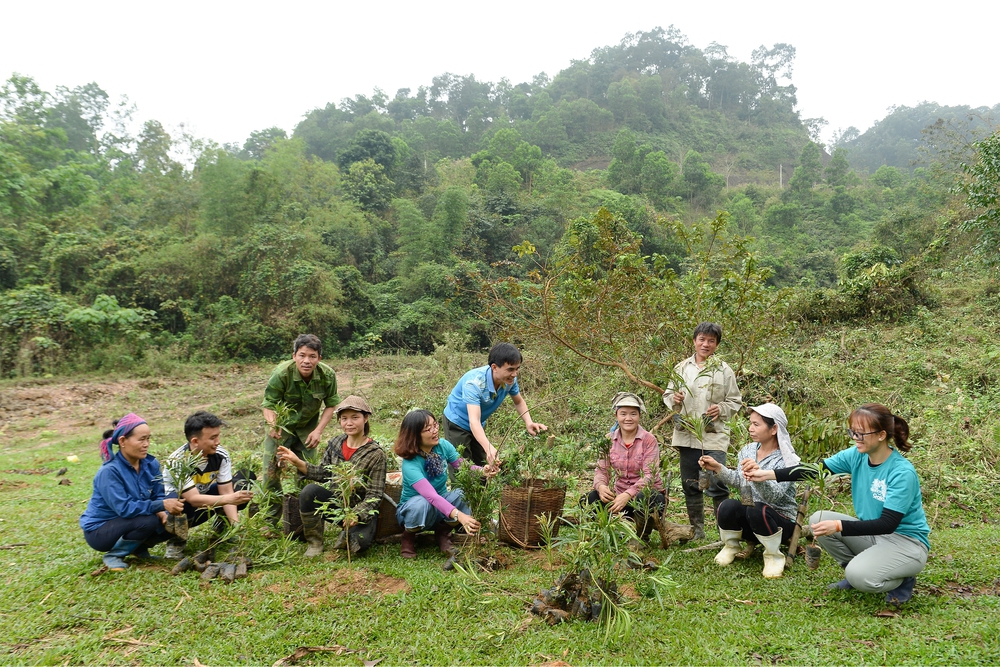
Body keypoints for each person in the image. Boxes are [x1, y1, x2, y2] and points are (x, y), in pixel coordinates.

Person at [745, 403, 930, 605]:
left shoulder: (901, 473)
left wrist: (839, 526)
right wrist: (767, 475)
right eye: (853, 432)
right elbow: (815, 470)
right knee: (819, 519)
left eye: (861, 434)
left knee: (860, 575)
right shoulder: (856, 455)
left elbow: (888, 524)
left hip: (906, 542)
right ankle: (857, 572)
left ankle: (901, 581)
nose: (855, 438)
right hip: (874, 536)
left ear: (881, 435)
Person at [277, 396, 387, 558]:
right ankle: (315, 542)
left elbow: (375, 495)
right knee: (309, 491)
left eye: (355, 417)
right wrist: (297, 461)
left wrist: (356, 514)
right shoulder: (335, 444)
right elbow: (323, 473)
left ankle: (349, 532)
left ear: (366, 418)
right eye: (344, 418)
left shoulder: (375, 454)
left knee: (360, 543)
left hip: (360, 511)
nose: (349, 423)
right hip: (337, 505)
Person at [662, 322, 743, 540]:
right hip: (687, 435)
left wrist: (722, 408)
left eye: (711, 341)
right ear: (694, 340)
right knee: (691, 484)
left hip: (713, 435)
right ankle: (696, 531)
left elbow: (735, 401)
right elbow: (668, 395)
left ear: (717, 344)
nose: (705, 344)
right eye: (702, 339)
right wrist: (674, 399)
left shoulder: (724, 370)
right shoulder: (681, 368)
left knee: (717, 484)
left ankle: (724, 533)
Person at [699, 403, 799, 578]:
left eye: (756, 424)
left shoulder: (788, 461)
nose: (750, 428)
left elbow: (774, 496)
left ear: (774, 429)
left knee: (756, 509)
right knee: (727, 506)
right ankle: (731, 546)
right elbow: (739, 480)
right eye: (750, 423)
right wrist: (717, 468)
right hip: (753, 516)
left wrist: (758, 475)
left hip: (780, 522)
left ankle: (773, 556)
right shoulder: (748, 450)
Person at [79, 413, 185, 571]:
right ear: (122, 441)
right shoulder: (109, 472)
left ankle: (137, 548)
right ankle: (114, 555)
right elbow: (125, 508)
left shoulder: (150, 464)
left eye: (148, 438)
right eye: (141, 439)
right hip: (100, 531)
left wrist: (164, 513)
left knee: (174, 517)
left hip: (130, 521)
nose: (146, 444)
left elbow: (158, 493)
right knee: (148, 520)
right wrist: (161, 505)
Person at [260, 333, 339, 528]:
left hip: (308, 430)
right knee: (271, 473)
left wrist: (319, 430)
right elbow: (269, 404)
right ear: (294, 355)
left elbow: (331, 405)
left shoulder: (327, 375)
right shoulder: (281, 374)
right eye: (302, 355)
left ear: (319, 358)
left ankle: (304, 521)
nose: (307, 361)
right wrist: (273, 425)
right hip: (281, 429)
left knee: (307, 471)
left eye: (312, 356)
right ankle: (269, 522)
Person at [161, 412, 255, 559]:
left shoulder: (221, 455)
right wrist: (230, 498)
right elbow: (193, 499)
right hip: (184, 507)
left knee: (243, 481)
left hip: (203, 501)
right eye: (213, 438)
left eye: (218, 436)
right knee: (180, 502)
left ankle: (224, 528)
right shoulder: (177, 461)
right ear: (195, 441)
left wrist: (237, 528)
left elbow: (226, 491)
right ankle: (176, 542)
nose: (218, 441)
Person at [394, 409, 485, 559]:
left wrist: (484, 471)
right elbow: (431, 497)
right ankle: (408, 537)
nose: (435, 431)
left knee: (462, 493)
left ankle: (443, 533)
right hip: (415, 511)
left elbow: (463, 467)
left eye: (435, 425)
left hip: (441, 509)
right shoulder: (410, 464)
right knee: (422, 503)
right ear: (414, 435)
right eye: (427, 429)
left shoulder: (443, 446)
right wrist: (460, 516)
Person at [441, 342, 547, 466]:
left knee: (482, 465)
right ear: (494, 367)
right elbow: (473, 421)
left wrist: (529, 422)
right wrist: (488, 447)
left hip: (479, 423)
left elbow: (518, 401)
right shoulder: (474, 383)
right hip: (457, 422)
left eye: (517, 368)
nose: (515, 374)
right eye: (510, 369)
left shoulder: (509, 380)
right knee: (462, 466)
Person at [584, 392, 664, 537]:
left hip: (645, 498)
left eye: (633, 414)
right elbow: (601, 471)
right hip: (618, 498)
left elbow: (650, 475)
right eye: (623, 414)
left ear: (639, 416)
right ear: (616, 416)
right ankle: (610, 534)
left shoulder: (649, 440)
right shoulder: (608, 440)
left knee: (645, 497)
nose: (628, 418)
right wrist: (601, 487)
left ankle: (642, 536)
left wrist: (628, 494)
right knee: (593, 497)